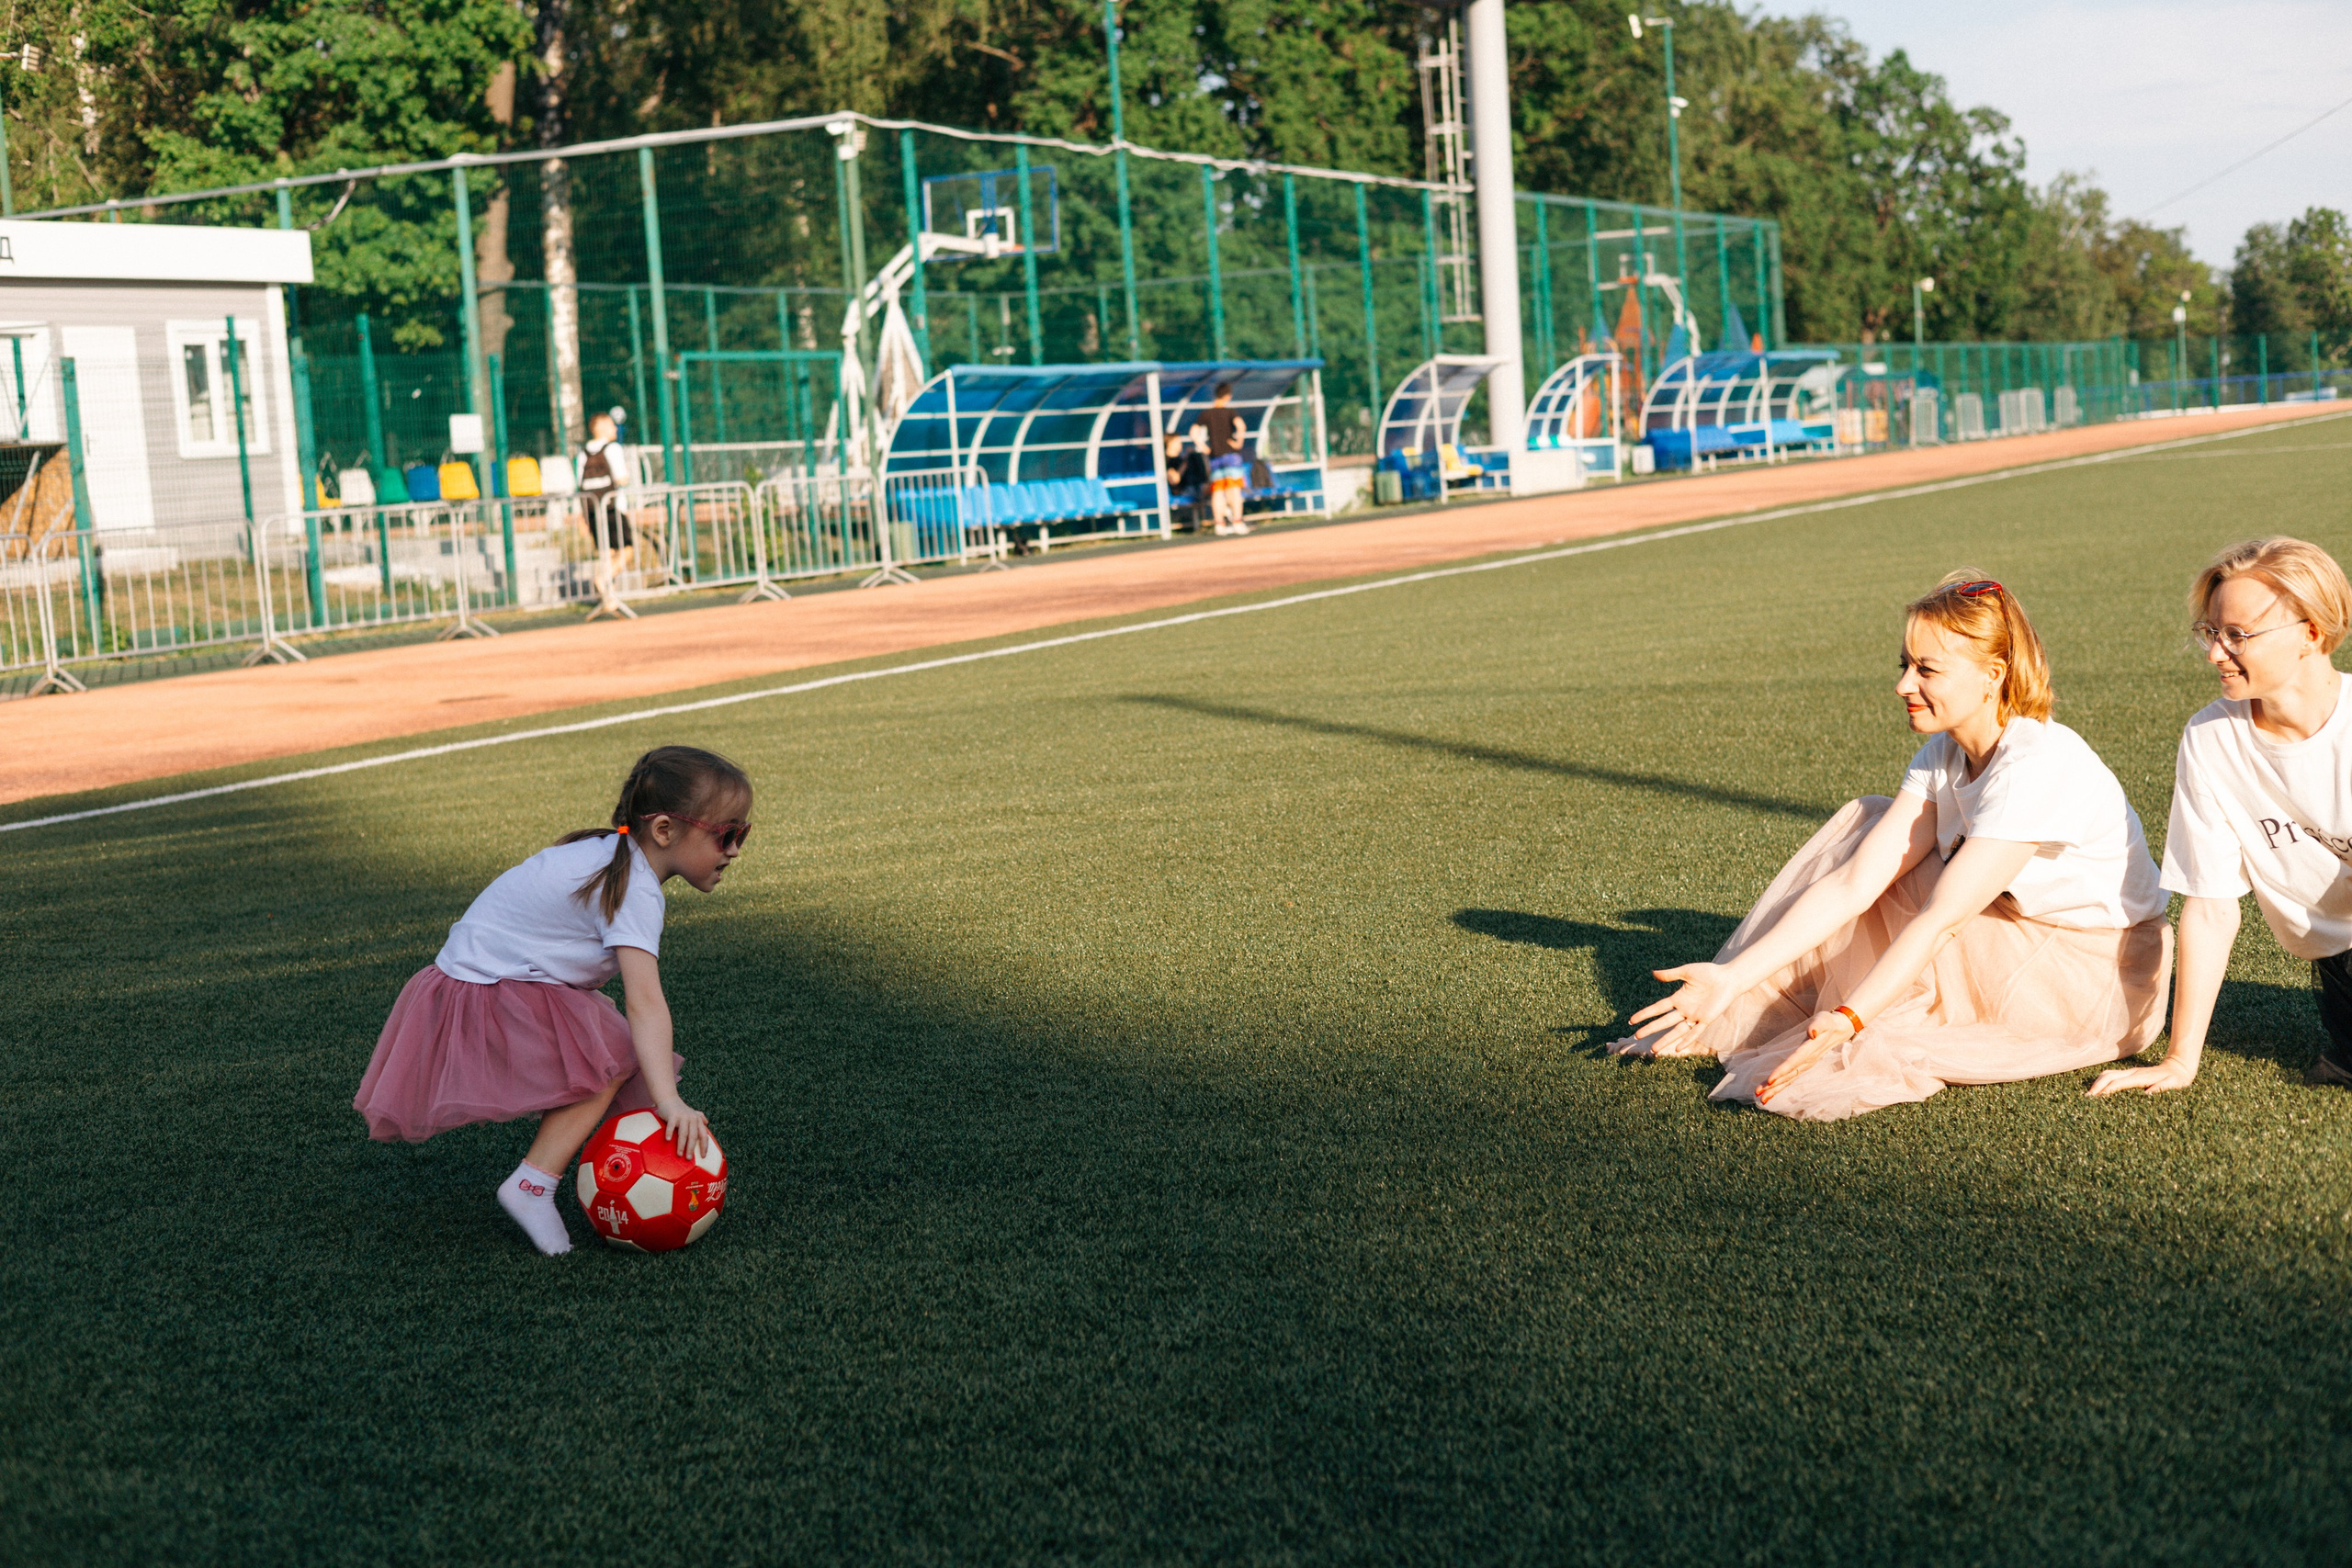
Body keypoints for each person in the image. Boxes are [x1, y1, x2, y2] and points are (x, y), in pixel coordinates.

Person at [1609, 571, 2173, 1122]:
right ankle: (1744, 1004)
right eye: (1905, 666)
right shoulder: (1944, 753)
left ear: (1992, 675)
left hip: (2092, 978)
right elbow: (1855, 884)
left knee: (1913, 881)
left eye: (1927, 669)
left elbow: (1941, 922)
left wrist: (1850, 1018)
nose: (1904, 685)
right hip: (2012, 931)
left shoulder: (2036, 765)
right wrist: (1735, 977)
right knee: (1873, 828)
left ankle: (1847, 1013)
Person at [353, 745, 752, 1254]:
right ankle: (532, 1185)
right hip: (480, 990)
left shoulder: (618, 857)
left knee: (609, 1052)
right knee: (611, 1057)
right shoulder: (633, 887)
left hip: (489, 978)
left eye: (742, 834)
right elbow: (645, 1003)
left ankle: (605, 1173)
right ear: (665, 831)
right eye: (726, 834)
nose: (735, 850)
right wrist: (669, 1100)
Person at [2090, 537, 2352, 1100]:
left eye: (2239, 635)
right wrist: (2181, 1060)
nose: (2215, 653)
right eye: (2212, 633)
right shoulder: (2212, 739)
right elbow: (2210, 908)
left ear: (2311, 632)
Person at [579, 411, 632, 603]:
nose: (615, 429)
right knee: (626, 551)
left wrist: (583, 518)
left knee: (606, 554)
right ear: (600, 428)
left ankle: (608, 599)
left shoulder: (582, 453)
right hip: (613, 509)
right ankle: (603, 580)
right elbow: (622, 478)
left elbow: (579, 487)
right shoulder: (613, 449)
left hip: (593, 511)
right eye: (611, 425)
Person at [1201, 383, 1250, 536]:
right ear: (1227, 396)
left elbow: (1193, 432)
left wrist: (1204, 447)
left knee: (1217, 491)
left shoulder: (1207, 414)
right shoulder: (1230, 412)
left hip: (1215, 457)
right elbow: (1241, 426)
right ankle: (1237, 522)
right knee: (1233, 489)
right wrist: (1238, 443)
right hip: (1230, 455)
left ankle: (1220, 525)